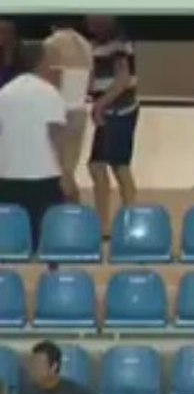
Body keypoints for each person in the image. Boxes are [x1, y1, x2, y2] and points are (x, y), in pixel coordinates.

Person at [0, 43, 78, 250]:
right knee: (48, 239)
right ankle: (52, 279)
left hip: (8, 175)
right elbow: (56, 135)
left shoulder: (5, 92)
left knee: (10, 239)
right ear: (41, 62)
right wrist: (67, 174)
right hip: (44, 175)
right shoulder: (49, 93)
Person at [85, 15, 139, 232]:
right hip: (108, 110)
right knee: (97, 166)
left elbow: (122, 78)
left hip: (120, 110)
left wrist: (100, 105)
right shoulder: (97, 45)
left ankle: (129, 222)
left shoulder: (119, 43)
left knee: (120, 167)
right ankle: (103, 224)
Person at [43, 21, 93, 181]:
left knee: (55, 171)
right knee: (68, 171)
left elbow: (52, 82)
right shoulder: (85, 44)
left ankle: (62, 204)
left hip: (58, 113)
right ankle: (72, 204)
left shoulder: (51, 43)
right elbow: (91, 83)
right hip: (79, 112)